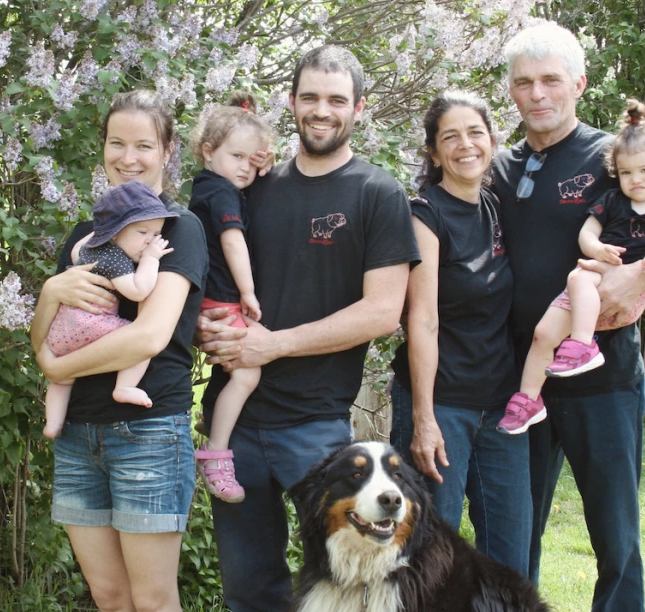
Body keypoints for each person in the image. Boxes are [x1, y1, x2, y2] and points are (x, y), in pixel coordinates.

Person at [489, 22, 645, 612]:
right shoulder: (498, 165)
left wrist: (634, 277)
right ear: (511, 92)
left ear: (578, 84)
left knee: (614, 533)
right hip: (523, 380)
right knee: (514, 534)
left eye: (550, 81)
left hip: (604, 375)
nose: (537, 94)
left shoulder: (615, 156)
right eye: (523, 83)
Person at [196, 45, 420, 611]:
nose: (322, 110)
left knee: (348, 582)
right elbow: (210, 268)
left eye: (337, 100)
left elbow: (381, 311)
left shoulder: (377, 193)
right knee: (249, 589)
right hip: (236, 423)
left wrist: (273, 345)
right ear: (292, 102)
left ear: (360, 108)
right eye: (311, 97)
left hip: (316, 429)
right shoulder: (253, 186)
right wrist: (205, 325)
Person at [30, 90, 208, 612]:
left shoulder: (178, 229)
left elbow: (149, 337)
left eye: (143, 145)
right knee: (109, 597)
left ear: (168, 149)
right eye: (116, 143)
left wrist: (54, 366)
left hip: (148, 434)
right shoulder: (84, 235)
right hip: (78, 433)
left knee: (152, 601)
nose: (128, 158)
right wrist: (48, 294)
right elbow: (46, 334)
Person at [498, 98, 645, 435]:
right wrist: (597, 248)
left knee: (577, 276)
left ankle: (583, 344)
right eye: (626, 173)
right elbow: (588, 233)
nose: (635, 179)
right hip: (591, 279)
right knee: (543, 334)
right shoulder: (612, 201)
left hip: (616, 292)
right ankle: (528, 400)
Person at [389, 89, 532, 576]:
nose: (465, 145)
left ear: (492, 141)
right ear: (433, 152)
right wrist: (424, 418)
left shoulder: (493, 205)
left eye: (475, 133)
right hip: (443, 405)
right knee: (430, 558)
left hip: (501, 405)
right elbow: (422, 320)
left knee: (510, 554)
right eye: (450, 137)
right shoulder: (425, 215)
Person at [188, 92, 275, 504]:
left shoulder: (206, 186)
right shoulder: (222, 193)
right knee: (247, 373)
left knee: (235, 372)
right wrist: (248, 292)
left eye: (250, 160)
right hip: (222, 298)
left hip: (206, 297)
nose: (244, 168)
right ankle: (216, 452)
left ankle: (212, 420)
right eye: (236, 156)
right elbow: (233, 241)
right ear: (208, 151)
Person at [42, 181, 176, 439]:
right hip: (91, 325)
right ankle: (124, 387)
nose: (150, 241)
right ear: (115, 233)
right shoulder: (113, 257)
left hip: (61, 331)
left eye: (155, 234)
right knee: (140, 342)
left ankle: (52, 424)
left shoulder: (88, 248)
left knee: (61, 380)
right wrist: (150, 259)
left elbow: (75, 251)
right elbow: (138, 291)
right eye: (142, 232)